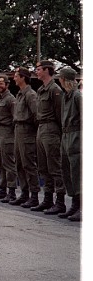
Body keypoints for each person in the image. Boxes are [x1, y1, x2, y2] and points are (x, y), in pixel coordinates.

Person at [31, 60, 66, 214]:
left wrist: (60, 132)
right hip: (41, 127)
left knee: (54, 166)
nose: (36, 72)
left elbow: (60, 113)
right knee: (43, 166)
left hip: (51, 128)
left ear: (46, 70)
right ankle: (47, 199)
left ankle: (60, 201)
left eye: (38, 69)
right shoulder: (41, 90)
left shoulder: (55, 90)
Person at [9, 66, 40, 207]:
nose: (14, 78)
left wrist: (32, 131)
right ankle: (25, 193)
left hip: (27, 131)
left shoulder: (30, 94)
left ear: (23, 77)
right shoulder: (20, 94)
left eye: (16, 76)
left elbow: (36, 115)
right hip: (18, 130)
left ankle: (34, 195)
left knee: (28, 164)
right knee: (19, 163)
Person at [58, 66, 82, 221]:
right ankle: (74, 204)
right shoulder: (65, 96)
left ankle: (81, 207)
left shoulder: (77, 96)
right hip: (66, 135)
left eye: (61, 78)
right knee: (68, 170)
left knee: (77, 171)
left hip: (76, 135)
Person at [0, 75, 17, 202]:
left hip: (7, 134)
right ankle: (2, 189)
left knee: (8, 163)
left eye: (1, 84)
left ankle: (11, 191)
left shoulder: (10, 99)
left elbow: (15, 118)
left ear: (7, 85)